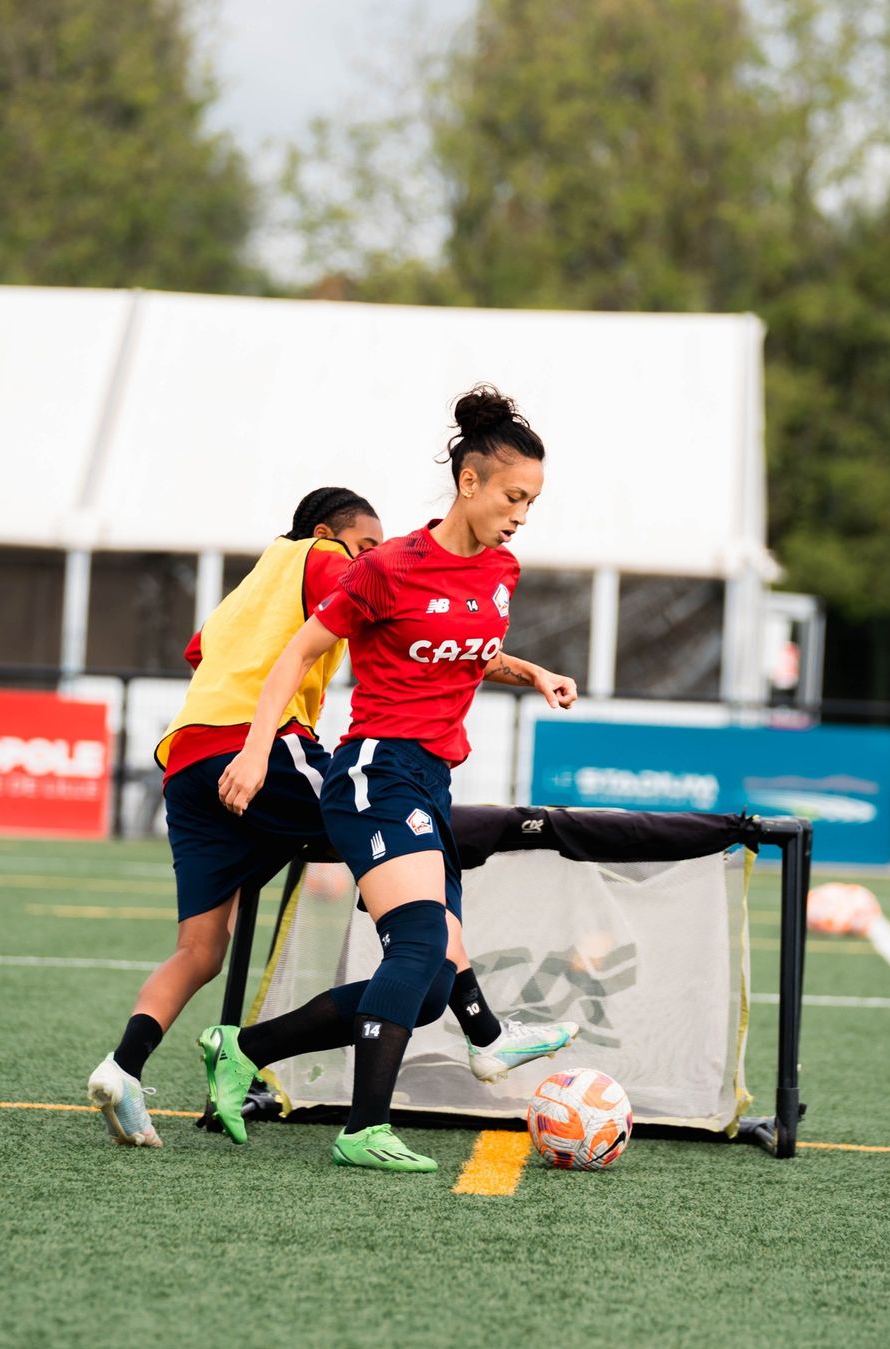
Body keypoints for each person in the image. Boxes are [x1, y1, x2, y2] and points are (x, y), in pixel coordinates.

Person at [199, 385, 579, 1173]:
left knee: (431, 984)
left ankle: (244, 1049)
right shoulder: (388, 567)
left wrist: (532, 671)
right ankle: (364, 1126)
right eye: (512, 496)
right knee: (419, 945)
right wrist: (257, 749)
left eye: (532, 502)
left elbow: (466, 650)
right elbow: (298, 654)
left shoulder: (502, 570)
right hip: (376, 770)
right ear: (468, 482)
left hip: (432, 780)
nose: (520, 514)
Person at [86, 487, 382, 1147]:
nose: (370, 559)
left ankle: (123, 1067)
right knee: (388, 829)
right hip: (259, 745)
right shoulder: (326, 559)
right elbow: (378, 610)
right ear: (327, 533)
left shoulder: (249, 585)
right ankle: (463, 1015)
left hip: (186, 761)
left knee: (199, 950)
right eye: (366, 545)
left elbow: (199, 652)